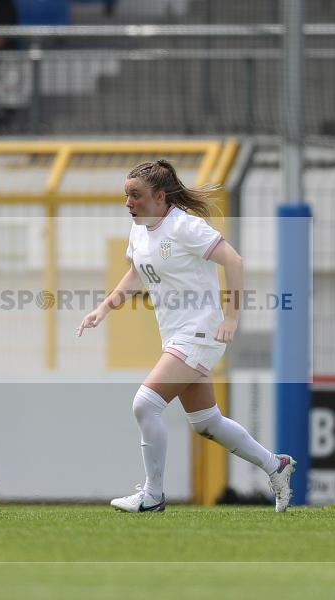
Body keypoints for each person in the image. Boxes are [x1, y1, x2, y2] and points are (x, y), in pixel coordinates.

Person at [76, 159, 295, 513]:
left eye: (136, 196)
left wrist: (231, 316)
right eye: (126, 196)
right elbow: (136, 274)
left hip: (200, 332)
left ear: (161, 197)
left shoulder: (185, 227)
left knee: (145, 404)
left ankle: (153, 496)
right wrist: (103, 309)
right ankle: (276, 466)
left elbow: (234, 261)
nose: (128, 203)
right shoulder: (139, 229)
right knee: (206, 423)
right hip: (178, 335)